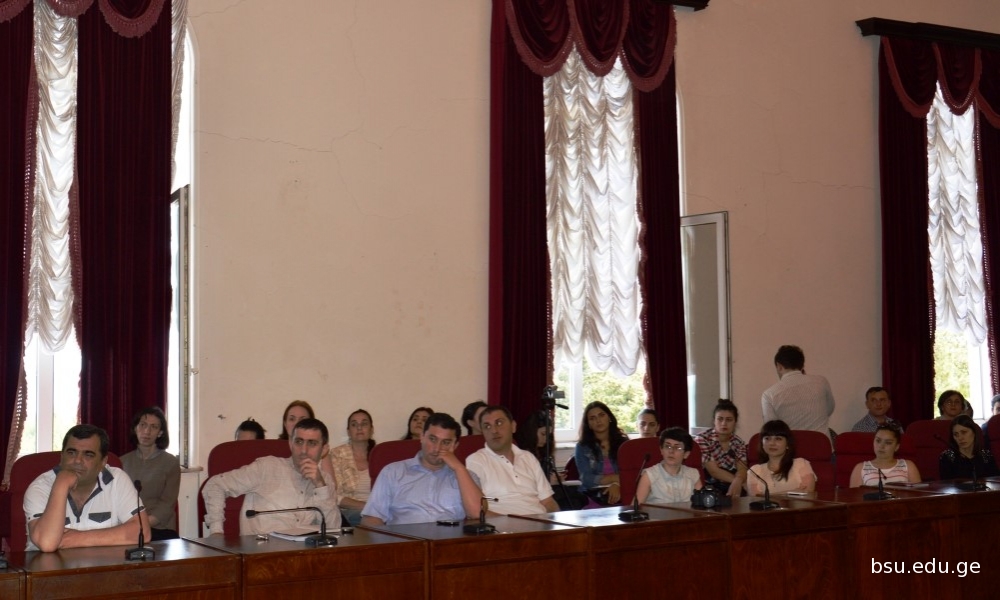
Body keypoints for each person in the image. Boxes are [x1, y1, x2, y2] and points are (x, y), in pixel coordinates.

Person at [202, 418, 341, 535]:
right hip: (262, 552)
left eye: (312, 443)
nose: (304, 450)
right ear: (290, 443)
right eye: (299, 442)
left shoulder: (325, 481)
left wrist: (320, 486)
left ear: (324, 449)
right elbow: (215, 485)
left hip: (302, 553)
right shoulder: (267, 467)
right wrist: (216, 532)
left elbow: (333, 532)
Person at [24, 424, 150, 552]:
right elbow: (47, 543)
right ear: (62, 457)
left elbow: (143, 532)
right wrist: (61, 485)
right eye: (71, 453)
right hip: (47, 564)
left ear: (103, 462)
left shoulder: (116, 479)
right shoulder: (40, 487)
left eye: (88, 455)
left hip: (103, 563)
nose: (78, 461)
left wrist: (77, 538)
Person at [361, 413, 482, 526]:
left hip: (450, 540)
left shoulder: (466, 476)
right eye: (432, 439)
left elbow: (477, 514)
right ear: (422, 437)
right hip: (405, 539)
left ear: (455, 446)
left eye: (446, 442)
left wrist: (459, 468)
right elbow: (372, 518)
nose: (437, 448)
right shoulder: (392, 472)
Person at [466, 406, 558, 515]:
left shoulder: (528, 458)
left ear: (513, 426)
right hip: (503, 523)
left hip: (539, 520)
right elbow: (476, 511)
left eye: (499, 423)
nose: (494, 430)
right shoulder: (476, 461)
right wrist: (511, 523)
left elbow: (548, 501)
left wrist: (555, 520)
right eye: (487, 426)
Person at [120, 407, 181, 540]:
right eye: (143, 425)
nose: (147, 431)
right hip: (127, 526)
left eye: (154, 427)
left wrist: (141, 525)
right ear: (135, 428)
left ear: (160, 433)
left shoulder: (170, 463)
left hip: (159, 528)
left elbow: (167, 504)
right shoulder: (122, 462)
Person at [761, 345, 836, 438]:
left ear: (779, 366)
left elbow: (772, 429)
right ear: (802, 365)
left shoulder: (769, 394)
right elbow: (829, 409)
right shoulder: (821, 382)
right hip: (821, 444)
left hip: (791, 446)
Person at [574, 401, 629, 506]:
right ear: (588, 425)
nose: (598, 420)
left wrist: (617, 484)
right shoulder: (582, 447)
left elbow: (631, 475)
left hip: (623, 493)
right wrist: (614, 478)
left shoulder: (625, 444)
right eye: (592, 418)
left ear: (609, 418)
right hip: (592, 496)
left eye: (601, 415)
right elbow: (586, 479)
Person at [745, 420, 817, 496]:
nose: (772, 443)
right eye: (767, 438)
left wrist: (767, 497)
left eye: (778, 439)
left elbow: (808, 493)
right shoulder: (754, 471)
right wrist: (790, 493)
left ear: (788, 444)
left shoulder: (801, 464)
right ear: (762, 444)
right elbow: (755, 499)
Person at [330, 409, 376, 526]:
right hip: (350, 512)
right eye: (354, 425)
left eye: (364, 424)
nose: (359, 428)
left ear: (371, 429)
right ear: (348, 431)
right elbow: (334, 495)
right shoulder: (337, 454)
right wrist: (367, 507)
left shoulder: (381, 454)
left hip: (379, 510)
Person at [694, 399, 748, 497]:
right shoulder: (702, 439)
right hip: (710, 487)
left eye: (729, 420)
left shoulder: (738, 442)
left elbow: (742, 469)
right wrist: (738, 482)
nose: (724, 423)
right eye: (720, 419)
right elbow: (714, 471)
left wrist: (738, 480)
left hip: (733, 485)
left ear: (735, 422)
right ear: (714, 421)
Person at [635, 427, 703, 504]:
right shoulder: (649, 475)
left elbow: (701, 506)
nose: (671, 451)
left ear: (686, 454)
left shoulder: (693, 474)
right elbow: (635, 508)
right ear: (661, 450)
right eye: (668, 446)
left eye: (677, 447)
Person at [849, 424, 921, 487]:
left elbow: (918, 495)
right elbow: (854, 496)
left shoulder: (908, 466)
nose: (881, 446)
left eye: (888, 443)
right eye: (878, 441)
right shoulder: (860, 468)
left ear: (897, 447)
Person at [938, 415, 1000, 480]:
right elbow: (946, 484)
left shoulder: (986, 455)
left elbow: (995, 481)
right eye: (956, 434)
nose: (960, 438)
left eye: (964, 432)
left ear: (974, 432)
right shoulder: (947, 457)